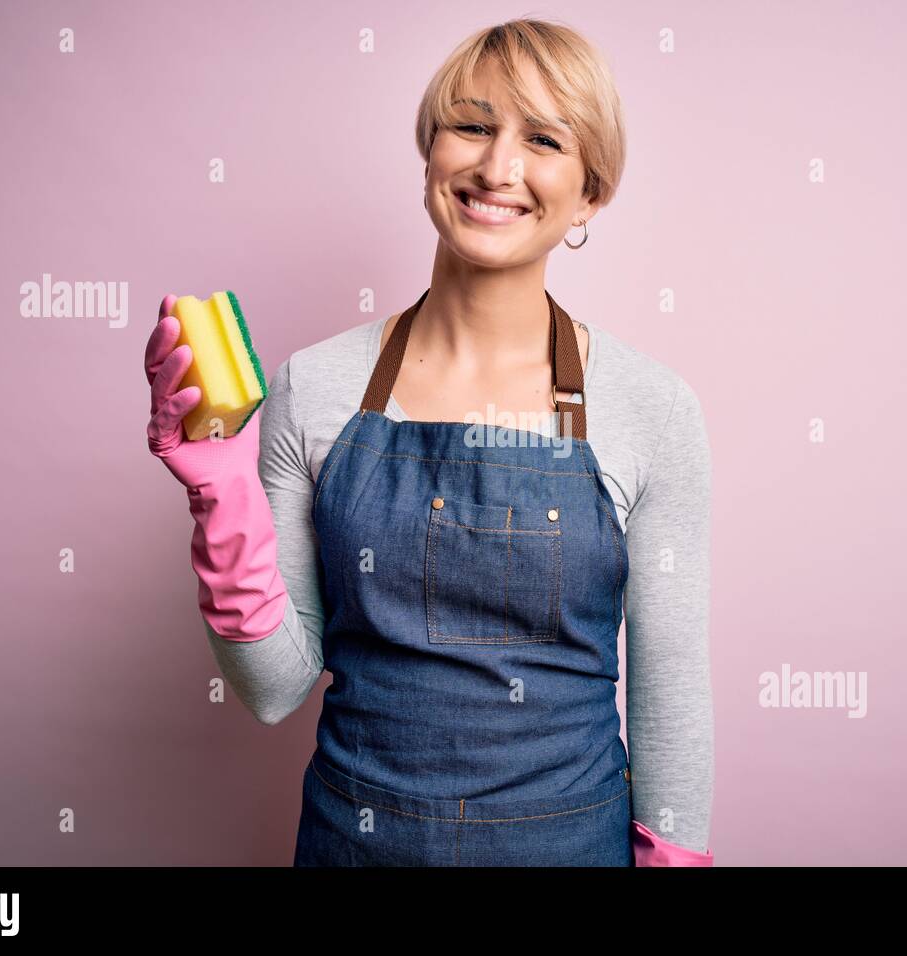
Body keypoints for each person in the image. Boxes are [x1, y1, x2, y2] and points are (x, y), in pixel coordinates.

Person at [145, 18, 713, 866]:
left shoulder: (650, 409)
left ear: (590, 194)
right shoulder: (317, 386)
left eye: (544, 140)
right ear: (431, 152)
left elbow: (672, 699)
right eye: (474, 125)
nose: (497, 169)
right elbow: (273, 688)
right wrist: (217, 485)